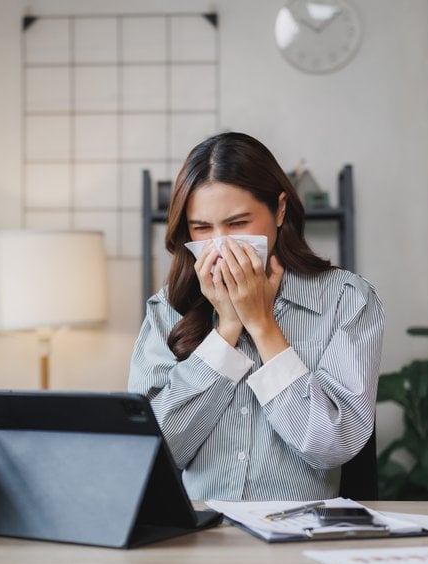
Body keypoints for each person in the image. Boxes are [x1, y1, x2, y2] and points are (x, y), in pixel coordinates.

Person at [128, 132, 384, 501]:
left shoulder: (347, 300)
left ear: (279, 210)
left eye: (237, 224)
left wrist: (262, 324)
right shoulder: (167, 308)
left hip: (302, 537)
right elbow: (154, 452)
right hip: (201, 539)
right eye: (202, 228)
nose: (221, 245)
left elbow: (333, 444)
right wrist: (227, 328)